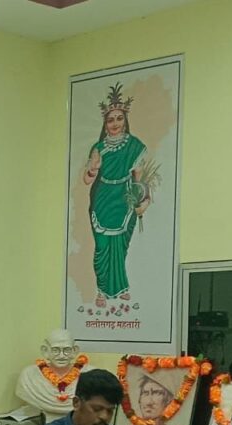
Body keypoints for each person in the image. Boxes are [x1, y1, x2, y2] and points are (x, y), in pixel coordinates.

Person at [83, 82, 151, 310]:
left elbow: (139, 176)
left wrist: (143, 199)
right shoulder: (98, 147)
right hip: (102, 199)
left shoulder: (134, 145)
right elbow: (87, 179)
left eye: (119, 118)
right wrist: (93, 168)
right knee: (102, 247)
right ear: (105, 123)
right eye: (110, 120)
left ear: (125, 120)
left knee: (120, 248)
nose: (115, 124)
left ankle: (121, 288)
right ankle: (102, 290)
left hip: (124, 198)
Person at [15, 329, 92, 423]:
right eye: (55, 350)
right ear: (45, 351)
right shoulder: (29, 376)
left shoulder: (90, 375)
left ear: (74, 351)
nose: (61, 356)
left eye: (67, 350)